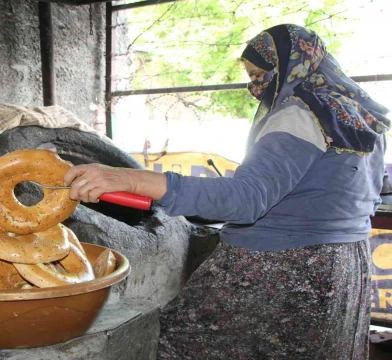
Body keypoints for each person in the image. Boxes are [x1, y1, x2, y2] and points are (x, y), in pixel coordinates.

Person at [63, 24, 390, 359]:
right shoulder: (359, 114)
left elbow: (245, 199)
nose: (254, 85)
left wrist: (130, 180)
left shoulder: (300, 112)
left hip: (280, 268)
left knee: (179, 343)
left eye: (260, 74)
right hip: (343, 267)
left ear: (291, 65)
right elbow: (369, 190)